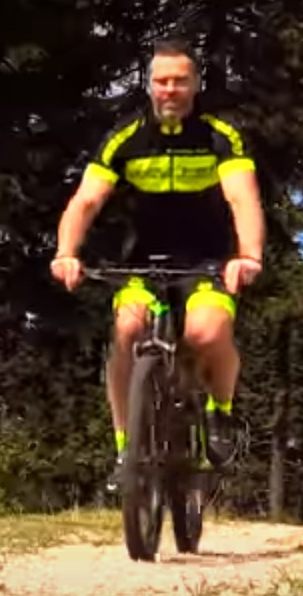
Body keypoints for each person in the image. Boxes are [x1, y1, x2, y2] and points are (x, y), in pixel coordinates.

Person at [49, 39, 265, 492]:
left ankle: (219, 412)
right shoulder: (125, 138)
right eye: (162, 81)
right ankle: (126, 448)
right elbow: (86, 201)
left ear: (195, 84)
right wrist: (66, 251)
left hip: (207, 262)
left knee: (206, 333)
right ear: (149, 85)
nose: (170, 89)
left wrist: (248, 256)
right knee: (127, 332)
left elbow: (242, 198)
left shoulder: (219, 136)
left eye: (180, 81)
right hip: (139, 264)